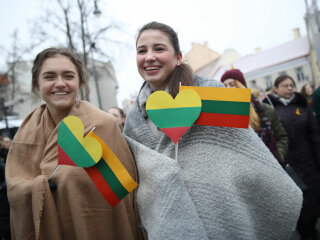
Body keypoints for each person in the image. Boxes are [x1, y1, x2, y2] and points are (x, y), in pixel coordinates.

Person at [123, 21, 302, 239]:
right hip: (169, 224)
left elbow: (247, 153)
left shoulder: (211, 93)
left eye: (159, 48)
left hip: (224, 213)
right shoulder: (132, 121)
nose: (149, 56)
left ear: (178, 57)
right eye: (142, 51)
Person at [5, 48, 143, 240]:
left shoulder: (100, 125)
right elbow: (15, 190)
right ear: (37, 85)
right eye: (49, 77)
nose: (60, 84)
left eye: (68, 76)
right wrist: (40, 186)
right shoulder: (25, 132)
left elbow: (118, 198)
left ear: (80, 83)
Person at [263, 74, 320, 240]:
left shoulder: (302, 107)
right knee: (299, 210)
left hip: (308, 162)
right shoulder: (269, 110)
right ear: (275, 89)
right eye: (285, 85)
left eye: (292, 85)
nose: (290, 88)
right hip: (288, 166)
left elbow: (315, 136)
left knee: (314, 203)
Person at [221, 69, 288, 163]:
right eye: (224, 86)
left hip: (273, 166)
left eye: (232, 84)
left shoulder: (266, 110)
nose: (228, 88)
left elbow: (282, 137)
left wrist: (278, 156)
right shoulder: (224, 117)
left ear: (242, 86)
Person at [0, 137, 11, 240]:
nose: (8, 144)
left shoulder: (9, 155)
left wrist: (1, 186)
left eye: (9, 142)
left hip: (3, 197)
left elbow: (8, 177)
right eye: (6, 142)